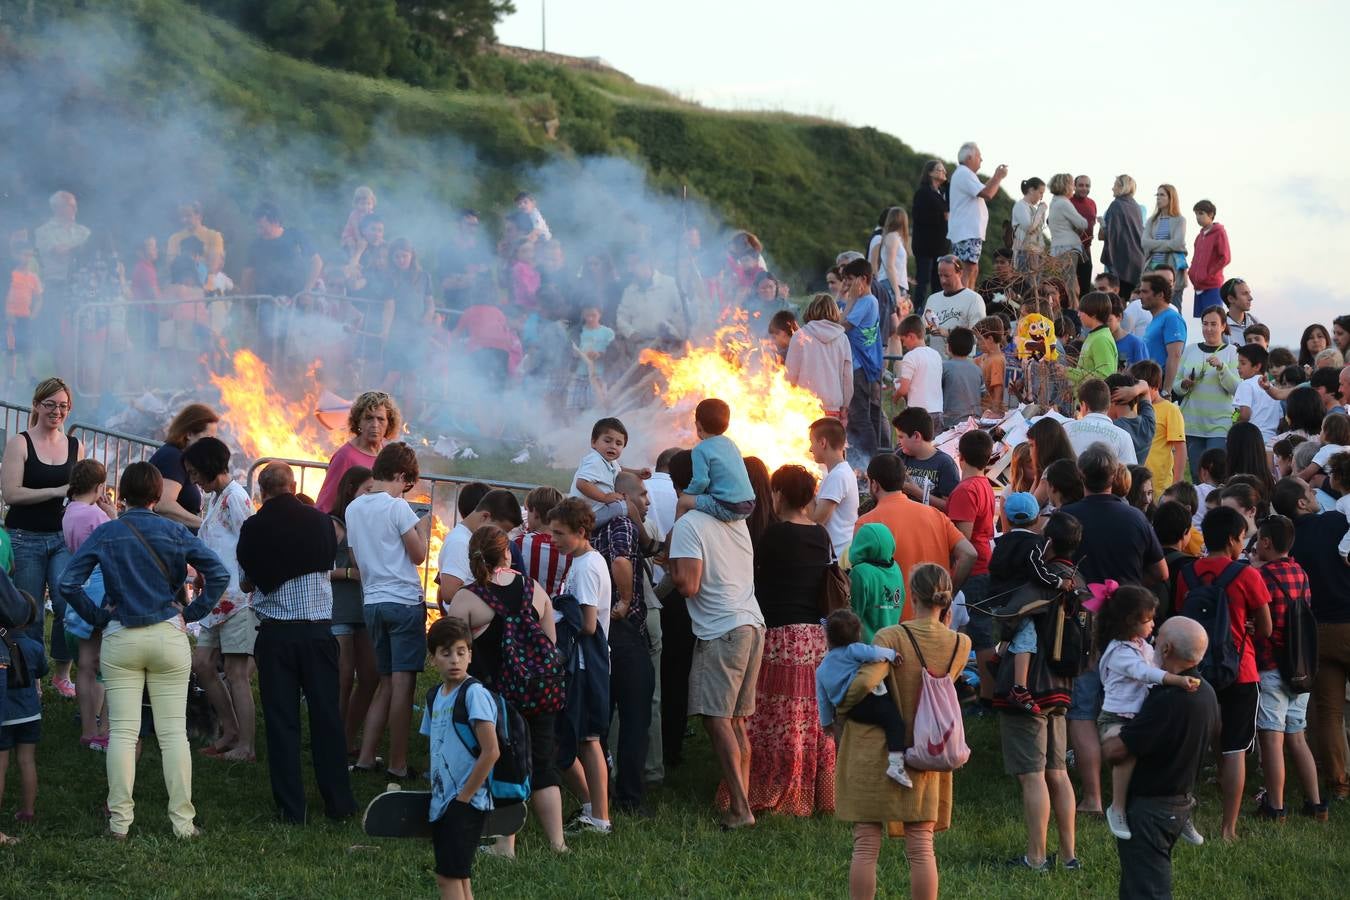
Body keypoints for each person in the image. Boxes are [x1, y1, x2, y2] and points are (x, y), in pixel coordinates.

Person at [59, 462, 228, 838]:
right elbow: (218, 572)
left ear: (122, 494)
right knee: (173, 735)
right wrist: (194, 611)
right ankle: (183, 823)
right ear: (156, 496)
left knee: (122, 732)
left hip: (122, 636)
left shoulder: (108, 532)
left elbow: (69, 581)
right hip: (168, 633)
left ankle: (120, 823)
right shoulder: (175, 530)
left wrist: (98, 616)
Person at [834, 563, 971, 900]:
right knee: (922, 847)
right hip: (927, 750)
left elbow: (867, 681)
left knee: (866, 844)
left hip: (877, 752)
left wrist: (841, 703)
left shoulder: (890, 637)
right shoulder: (961, 643)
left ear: (913, 595)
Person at [233, 462, 356, 824]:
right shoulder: (321, 522)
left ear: (262, 492)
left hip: (277, 635)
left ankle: (291, 808)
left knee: (282, 721)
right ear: (292, 485)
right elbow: (325, 563)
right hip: (318, 632)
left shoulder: (253, 528)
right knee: (326, 719)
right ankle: (339, 803)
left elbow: (245, 582)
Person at [441, 526, 567, 854]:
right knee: (543, 764)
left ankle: (504, 845)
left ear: (473, 558)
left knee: (503, 764)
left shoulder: (467, 598)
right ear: (508, 553)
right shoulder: (535, 590)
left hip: (495, 697)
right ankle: (558, 843)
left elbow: (453, 653)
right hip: (540, 693)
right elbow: (550, 644)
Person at [668, 450, 766, 831]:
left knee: (717, 720)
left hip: (721, 630)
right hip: (751, 622)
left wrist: (672, 561)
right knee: (738, 722)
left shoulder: (692, 523)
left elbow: (688, 585)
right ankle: (739, 800)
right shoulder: (734, 519)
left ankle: (741, 808)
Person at [737, 463, 836, 816]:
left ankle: (775, 786)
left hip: (780, 635)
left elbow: (757, 580)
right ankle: (813, 790)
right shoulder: (820, 535)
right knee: (809, 716)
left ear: (778, 494)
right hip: (813, 637)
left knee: (776, 716)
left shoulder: (774, 536)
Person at [1102, 617, 1219, 899]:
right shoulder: (1206, 691)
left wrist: (1109, 730)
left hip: (1151, 809)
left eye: (1157, 639)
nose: (1151, 642)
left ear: (1166, 649)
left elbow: (1116, 752)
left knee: (1146, 890)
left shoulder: (1169, 700)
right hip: (1179, 800)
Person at [1174, 506, 1272, 841]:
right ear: (1232, 539)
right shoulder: (1247, 575)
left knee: (1194, 746)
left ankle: (1181, 816)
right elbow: (1266, 627)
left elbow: (1181, 621)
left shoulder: (1187, 574)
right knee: (1234, 750)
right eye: (1243, 537)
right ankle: (1228, 828)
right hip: (1240, 670)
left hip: (1196, 670)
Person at [345, 443, 435, 781]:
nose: (405, 489)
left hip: (372, 603)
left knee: (384, 682)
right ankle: (397, 763)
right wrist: (422, 528)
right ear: (400, 475)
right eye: (406, 483)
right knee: (403, 685)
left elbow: (355, 559)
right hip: (403, 601)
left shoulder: (354, 508)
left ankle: (367, 756)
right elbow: (418, 556)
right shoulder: (398, 508)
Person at [1094, 585, 1203, 841]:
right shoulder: (1119, 653)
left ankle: (1182, 809)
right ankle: (1117, 807)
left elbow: (1155, 662)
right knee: (1125, 754)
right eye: (1148, 620)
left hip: (1139, 716)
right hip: (1116, 718)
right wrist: (1176, 680)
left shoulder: (1141, 644)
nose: (1153, 624)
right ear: (1130, 622)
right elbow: (1145, 673)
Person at [2, 377, 84, 696]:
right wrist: (56, 491)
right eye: (50, 404)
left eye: (63, 406)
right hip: (25, 538)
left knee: (68, 606)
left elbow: (77, 492)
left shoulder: (75, 446)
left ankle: (62, 673)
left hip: (62, 537)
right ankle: (32, 675)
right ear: (36, 405)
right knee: (29, 612)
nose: (57, 411)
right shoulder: (20, 443)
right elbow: (11, 494)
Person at [1272, 476, 1350, 801]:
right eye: (1309, 492)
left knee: (1328, 711)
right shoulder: (1334, 521)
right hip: (1348, 620)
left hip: (1315, 631)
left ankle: (1340, 783)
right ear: (1302, 503)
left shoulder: (1289, 541)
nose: (1315, 493)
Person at [182, 436, 257, 763]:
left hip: (238, 599)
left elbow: (252, 542)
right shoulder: (213, 499)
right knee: (202, 665)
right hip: (215, 599)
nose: (192, 478)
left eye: (194, 471)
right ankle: (229, 729)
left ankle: (247, 746)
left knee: (238, 674)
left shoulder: (236, 498)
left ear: (209, 466)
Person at [1250, 515, 1327, 821]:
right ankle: (1316, 804)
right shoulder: (1301, 573)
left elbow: (1265, 626)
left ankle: (1275, 807)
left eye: (1258, 541)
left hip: (1272, 664)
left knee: (1272, 738)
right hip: (1301, 666)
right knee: (1298, 736)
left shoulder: (1262, 577)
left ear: (1266, 542)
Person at [419, 617, 500, 899]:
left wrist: (463, 799)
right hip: (443, 801)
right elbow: (437, 748)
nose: (454, 659)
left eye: (461, 652)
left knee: (447, 877)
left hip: (467, 800)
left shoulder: (474, 694)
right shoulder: (434, 697)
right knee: (458, 876)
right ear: (433, 659)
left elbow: (491, 751)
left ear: (470, 655)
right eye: (446, 653)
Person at [547, 498, 614, 835]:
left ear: (581, 531)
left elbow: (588, 624)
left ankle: (600, 818)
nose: (554, 540)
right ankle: (590, 806)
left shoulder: (587, 566)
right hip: (580, 664)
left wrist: (557, 616)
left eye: (560, 533)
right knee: (567, 739)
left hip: (587, 665)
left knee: (588, 740)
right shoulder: (581, 560)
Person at [591, 472, 656, 817]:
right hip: (625, 633)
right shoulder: (623, 526)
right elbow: (619, 559)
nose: (648, 502)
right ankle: (630, 798)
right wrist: (627, 600)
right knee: (634, 719)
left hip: (600, 633)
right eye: (643, 495)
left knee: (602, 720)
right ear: (624, 497)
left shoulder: (595, 527)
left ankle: (600, 790)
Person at [855, 454, 976, 605]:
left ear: (874, 484)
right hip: (934, 618)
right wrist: (949, 595)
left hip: (890, 620)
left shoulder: (866, 523)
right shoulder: (936, 515)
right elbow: (969, 554)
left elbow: (860, 580)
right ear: (903, 481)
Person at [817, 609, 910, 788]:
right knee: (895, 722)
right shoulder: (853, 650)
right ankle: (897, 764)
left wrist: (826, 723)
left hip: (849, 711)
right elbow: (873, 653)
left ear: (828, 639)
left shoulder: (821, 668)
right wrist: (892, 654)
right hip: (868, 700)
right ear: (858, 635)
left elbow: (822, 700)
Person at [60, 460, 114, 750]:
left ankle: (87, 728)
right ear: (98, 486)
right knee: (104, 664)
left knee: (83, 664)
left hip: (77, 583)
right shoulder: (95, 514)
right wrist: (112, 514)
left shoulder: (69, 511)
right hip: (98, 586)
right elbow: (117, 542)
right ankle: (104, 730)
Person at [326, 465, 377, 754]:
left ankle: (347, 738)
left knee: (370, 676)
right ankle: (331, 739)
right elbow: (316, 569)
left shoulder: (371, 524)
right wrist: (348, 574)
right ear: (350, 491)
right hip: (340, 610)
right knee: (343, 678)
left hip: (366, 609)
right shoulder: (334, 525)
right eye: (367, 490)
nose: (371, 496)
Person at [946, 430, 997, 698]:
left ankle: (989, 696)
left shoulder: (965, 489)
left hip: (973, 569)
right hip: (984, 561)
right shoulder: (984, 484)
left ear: (960, 456)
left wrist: (953, 579)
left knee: (980, 633)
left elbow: (962, 540)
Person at [1174, 306, 1240, 478]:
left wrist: (1221, 367)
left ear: (1223, 326)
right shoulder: (1190, 350)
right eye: (1205, 324)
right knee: (1197, 475)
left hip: (1220, 424)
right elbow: (1175, 385)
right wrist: (1184, 384)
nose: (1208, 329)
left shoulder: (1231, 352)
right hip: (1192, 423)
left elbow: (1236, 388)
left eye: (1213, 324)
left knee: (1216, 474)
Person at [315, 391, 401, 513]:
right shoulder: (345, 456)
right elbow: (325, 503)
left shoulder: (387, 455)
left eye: (381, 419)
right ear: (358, 422)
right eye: (369, 418)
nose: (375, 425)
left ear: (389, 424)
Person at [676, 399, 755, 522]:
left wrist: (686, 493)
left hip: (728, 506)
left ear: (698, 425)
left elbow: (701, 481)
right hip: (749, 505)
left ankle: (675, 537)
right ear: (727, 426)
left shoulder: (700, 450)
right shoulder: (731, 443)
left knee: (683, 502)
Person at [567, 417, 651, 530]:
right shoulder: (594, 460)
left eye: (619, 443)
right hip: (582, 515)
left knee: (626, 505)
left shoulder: (609, 462)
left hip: (593, 512)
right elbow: (582, 483)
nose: (613, 446)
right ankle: (643, 537)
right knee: (626, 506)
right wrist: (605, 497)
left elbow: (620, 469)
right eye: (607, 441)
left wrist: (638, 472)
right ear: (593, 442)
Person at [839, 258, 884, 463]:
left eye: (850, 279)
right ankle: (870, 457)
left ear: (863, 279)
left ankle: (871, 461)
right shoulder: (866, 301)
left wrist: (849, 300)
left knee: (859, 415)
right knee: (862, 414)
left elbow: (842, 325)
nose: (847, 284)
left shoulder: (866, 301)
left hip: (860, 367)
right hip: (859, 365)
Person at [947, 142, 1009, 290]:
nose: (981, 160)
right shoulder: (964, 173)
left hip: (966, 231)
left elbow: (984, 189)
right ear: (970, 157)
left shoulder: (964, 174)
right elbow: (988, 193)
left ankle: (968, 300)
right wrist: (998, 177)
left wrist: (995, 177)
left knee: (972, 268)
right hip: (967, 231)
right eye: (979, 157)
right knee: (968, 269)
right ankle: (964, 302)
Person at [149, 403, 220, 530]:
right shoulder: (172, 457)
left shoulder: (180, 456)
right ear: (189, 434)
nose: (212, 444)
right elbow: (163, 505)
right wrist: (206, 525)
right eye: (208, 438)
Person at [0, 630, 44, 827]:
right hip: (30, 712)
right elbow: (42, 670)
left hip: (4, 713)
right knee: (27, 761)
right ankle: (28, 811)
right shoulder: (34, 646)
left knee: (1, 765)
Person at [786, 293, 853, 419]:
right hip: (833, 406)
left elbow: (791, 373)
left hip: (804, 404)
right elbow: (847, 377)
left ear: (810, 310)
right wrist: (845, 406)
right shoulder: (842, 339)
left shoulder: (800, 336)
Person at [1131, 359, 1187, 490]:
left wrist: (1177, 481)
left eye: (1142, 389)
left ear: (1155, 386)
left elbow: (1180, 449)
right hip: (1133, 479)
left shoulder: (1170, 410)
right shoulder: (1132, 407)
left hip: (1159, 484)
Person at [808, 417, 858, 558]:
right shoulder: (838, 473)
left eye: (812, 442)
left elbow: (817, 520)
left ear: (823, 442)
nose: (810, 448)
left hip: (836, 557)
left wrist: (807, 489)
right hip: (836, 555)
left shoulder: (838, 476)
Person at [892, 407, 959, 511]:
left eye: (901, 437)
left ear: (916, 436)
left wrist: (917, 492)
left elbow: (951, 507)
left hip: (931, 524)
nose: (898, 442)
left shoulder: (945, 464)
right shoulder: (900, 456)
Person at [922, 257, 985, 360]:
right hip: (934, 363)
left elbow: (978, 336)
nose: (943, 280)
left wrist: (949, 333)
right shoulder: (933, 299)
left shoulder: (974, 299)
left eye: (947, 276)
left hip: (961, 364)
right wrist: (928, 330)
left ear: (960, 273)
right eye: (940, 275)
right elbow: (924, 331)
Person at [1064, 379, 1138, 463]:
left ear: (1084, 406)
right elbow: (1130, 472)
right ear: (1109, 405)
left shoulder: (1065, 429)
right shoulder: (1124, 437)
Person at [514, 485, 570, 596]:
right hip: (554, 609)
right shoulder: (567, 549)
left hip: (522, 608)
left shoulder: (518, 543)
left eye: (527, 511)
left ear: (535, 513)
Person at [910, 160, 950, 308]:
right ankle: (918, 311)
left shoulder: (942, 193)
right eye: (939, 170)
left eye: (944, 171)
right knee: (923, 281)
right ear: (930, 172)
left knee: (938, 282)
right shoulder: (923, 192)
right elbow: (920, 216)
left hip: (939, 247)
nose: (943, 173)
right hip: (926, 246)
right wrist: (943, 216)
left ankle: (936, 311)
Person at [1099, 175, 1145, 301]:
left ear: (1122, 187)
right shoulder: (1135, 206)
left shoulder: (1116, 205)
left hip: (1122, 261)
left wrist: (1102, 224)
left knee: (1118, 302)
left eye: (1115, 185)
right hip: (1137, 260)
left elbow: (1113, 234)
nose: (1112, 188)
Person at [1143, 185, 1188, 309]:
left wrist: (1155, 245)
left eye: (1162, 195)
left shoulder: (1180, 220)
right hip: (1151, 270)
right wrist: (1169, 244)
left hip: (1172, 272)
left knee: (1174, 308)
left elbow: (1177, 243)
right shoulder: (1151, 220)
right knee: (1150, 308)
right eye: (1157, 195)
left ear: (1171, 198)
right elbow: (1145, 243)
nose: (1158, 198)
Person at [894, 316, 944, 430]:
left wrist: (895, 397)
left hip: (918, 414)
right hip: (937, 410)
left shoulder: (910, 356)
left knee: (911, 446)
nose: (903, 345)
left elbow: (903, 389)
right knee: (933, 446)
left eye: (903, 340)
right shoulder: (936, 355)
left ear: (911, 336)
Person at [1140, 274, 1186, 393]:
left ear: (1160, 295)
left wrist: (1166, 391)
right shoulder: (1155, 320)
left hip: (1161, 387)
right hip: (1150, 385)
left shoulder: (1172, 318)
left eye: (1145, 292)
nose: (1140, 296)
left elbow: (1175, 355)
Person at [1233, 343, 1281, 448]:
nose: (1238, 366)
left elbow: (1244, 414)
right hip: (1272, 441)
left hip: (1250, 440)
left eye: (1243, 363)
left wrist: (1234, 424)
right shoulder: (1272, 388)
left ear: (1257, 366)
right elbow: (1280, 418)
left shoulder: (1246, 384)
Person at [1067, 291, 1118, 386]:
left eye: (1081, 311)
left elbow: (1105, 376)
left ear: (1093, 313)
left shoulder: (1101, 339)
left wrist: (1069, 372)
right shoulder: (1095, 335)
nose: (1078, 315)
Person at [1189, 200, 1230, 316]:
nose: (1198, 217)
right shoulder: (1199, 236)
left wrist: (1208, 274)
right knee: (1204, 321)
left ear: (1211, 214)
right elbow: (1195, 258)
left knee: (1214, 319)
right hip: (1198, 287)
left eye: (1201, 213)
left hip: (1213, 286)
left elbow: (1225, 257)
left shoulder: (1219, 232)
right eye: (1196, 214)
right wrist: (1191, 273)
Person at [1106, 373, 1158, 464]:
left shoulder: (1112, 428)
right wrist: (1134, 391)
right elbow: (1144, 385)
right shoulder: (1148, 423)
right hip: (1138, 477)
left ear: (1113, 399)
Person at [1047, 173, 1090, 276]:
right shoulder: (1064, 203)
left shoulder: (1054, 201)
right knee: (1069, 283)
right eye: (1072, 185)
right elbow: (1083, 224)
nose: (1074, 188)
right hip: (1068, 248)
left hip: (1057, 247)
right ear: (1065, 186)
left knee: (1060, 282)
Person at [941, 327, 983, 423]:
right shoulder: (977, 369)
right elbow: (982, 394)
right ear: (971, 347)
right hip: (974, 420)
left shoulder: (944, 367)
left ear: (949, 347)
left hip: (951, 421)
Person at [1010, 177, 1047, 270]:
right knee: (1025, 282)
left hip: (1036, 252)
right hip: (1023, 252)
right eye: (1040, 192)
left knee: (1035, 283)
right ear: (1031, 190)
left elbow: (1039, 228)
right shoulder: (1020, 206)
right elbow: (1029, 227)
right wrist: (1040, 211)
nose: (1041, 197)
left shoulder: (1034, 208)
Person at [1070, 175, 1097, 296]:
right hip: (1069, 251)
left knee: (1084, 289)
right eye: (1081, 185)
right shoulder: (1067, 201)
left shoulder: (1092, 203)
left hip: (1086, 251)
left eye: (1087, 185)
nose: (1084, 188)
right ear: (1074, 186)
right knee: (1070, 289)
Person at [975, 316, 1007, 414]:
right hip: (981, 410)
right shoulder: (984, 357)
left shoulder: (996, 361)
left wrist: (995, 413)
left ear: (990, 339)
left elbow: (998, 389)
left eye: (980, 339)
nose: (977, 343)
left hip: (990, 412)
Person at [1220, 278, 1260, 344]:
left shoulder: (1255, 322)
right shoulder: (1220, 328)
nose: (1250, 298)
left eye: (1249, 293)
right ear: (1231, 299)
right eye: (1245, 294)